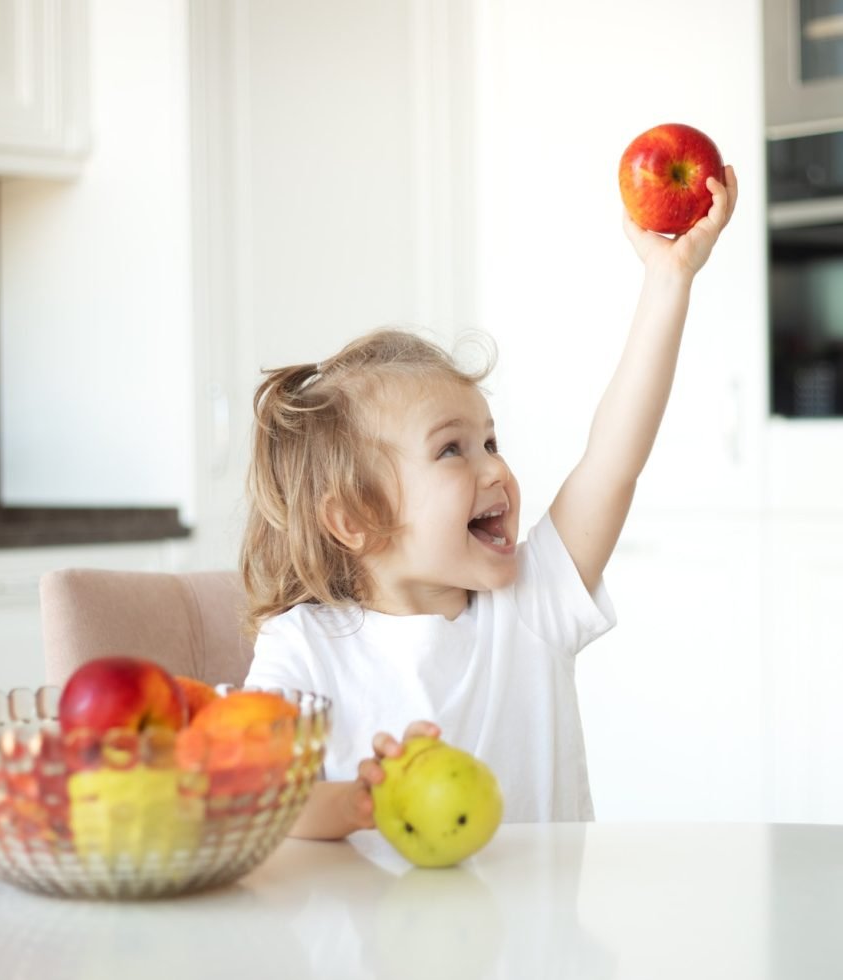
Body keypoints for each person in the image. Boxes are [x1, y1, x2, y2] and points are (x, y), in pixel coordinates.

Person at [239, 169, 738, 839]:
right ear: (351, 519)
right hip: (375, 942)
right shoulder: (302, 648)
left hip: (541, 943)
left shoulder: (534, 605)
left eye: (491, 440)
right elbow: (250, 800)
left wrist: (669, 278)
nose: (496, 467)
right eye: (452, 450)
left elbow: (613, 461)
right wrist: (360, 800)